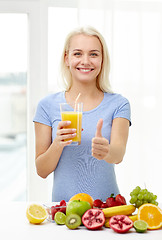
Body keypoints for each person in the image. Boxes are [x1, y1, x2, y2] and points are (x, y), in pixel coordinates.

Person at [33, 26, 131, 202]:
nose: (85, 61)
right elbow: (41, 170)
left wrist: (106, 150)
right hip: (64, 214)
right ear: (67, 59)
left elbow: (119, 155)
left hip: (107, 211)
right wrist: (58, 143)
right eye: (78, 54)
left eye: (94, 54)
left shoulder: (119, 104)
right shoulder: (47, 106)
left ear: (102, 60)